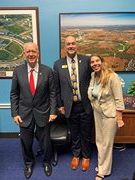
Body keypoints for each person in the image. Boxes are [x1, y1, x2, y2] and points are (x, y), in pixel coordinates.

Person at [10, 42, 57, 179]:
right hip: (24, 114)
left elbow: (52, 93)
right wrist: (15, 113)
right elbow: (14, 94)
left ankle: (46, 162)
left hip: (44, 112)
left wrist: (53, 111)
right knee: (26, 142)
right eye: (28, 52)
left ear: (38, 53)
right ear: (24, 54)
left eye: (33, 51)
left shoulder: (47, 71)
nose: (31, 54)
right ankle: (29, 163)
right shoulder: (17, 71)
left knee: (45, 142)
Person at [53, 36, 93, 171]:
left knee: (86, 133)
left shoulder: (87, 61)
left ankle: (86, 156)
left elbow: (96, 79)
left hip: (86, 105)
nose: (71, 46)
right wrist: (60, 105)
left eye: (73, 43)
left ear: (77, 45)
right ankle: (76, 155)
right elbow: (56, 88)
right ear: (65, 46)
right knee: (74, 133)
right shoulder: (58, 64)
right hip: (70, 106)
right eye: (68, 44)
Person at [88, 54, 125, 180]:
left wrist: (119, 118)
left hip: (110, 114)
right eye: (92, 62)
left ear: (102, 61)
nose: (95, 63)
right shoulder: (93, 75)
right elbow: (91, 92)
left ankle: (103, 171)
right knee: (99, 140)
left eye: (97, 61)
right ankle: (102, 164)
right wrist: (94, 105)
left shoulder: (112, 76)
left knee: (107, 143)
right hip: (97, 112)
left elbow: (119, 99)